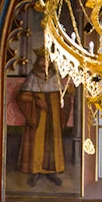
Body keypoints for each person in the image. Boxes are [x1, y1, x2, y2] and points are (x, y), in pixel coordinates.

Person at [16, 50, 71, 186]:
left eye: (46, 61)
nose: (44, 64)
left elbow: (62, 94)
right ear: (38, 62)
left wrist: (68, 94)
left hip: (54, 113)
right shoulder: (32, 76)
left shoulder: (55, 76)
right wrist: (36, 100)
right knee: (37, 141)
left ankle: (51, 172)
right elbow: (22, 97)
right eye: (42, 61)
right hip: (38, 114)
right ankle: (36, 171)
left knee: (53, 140)